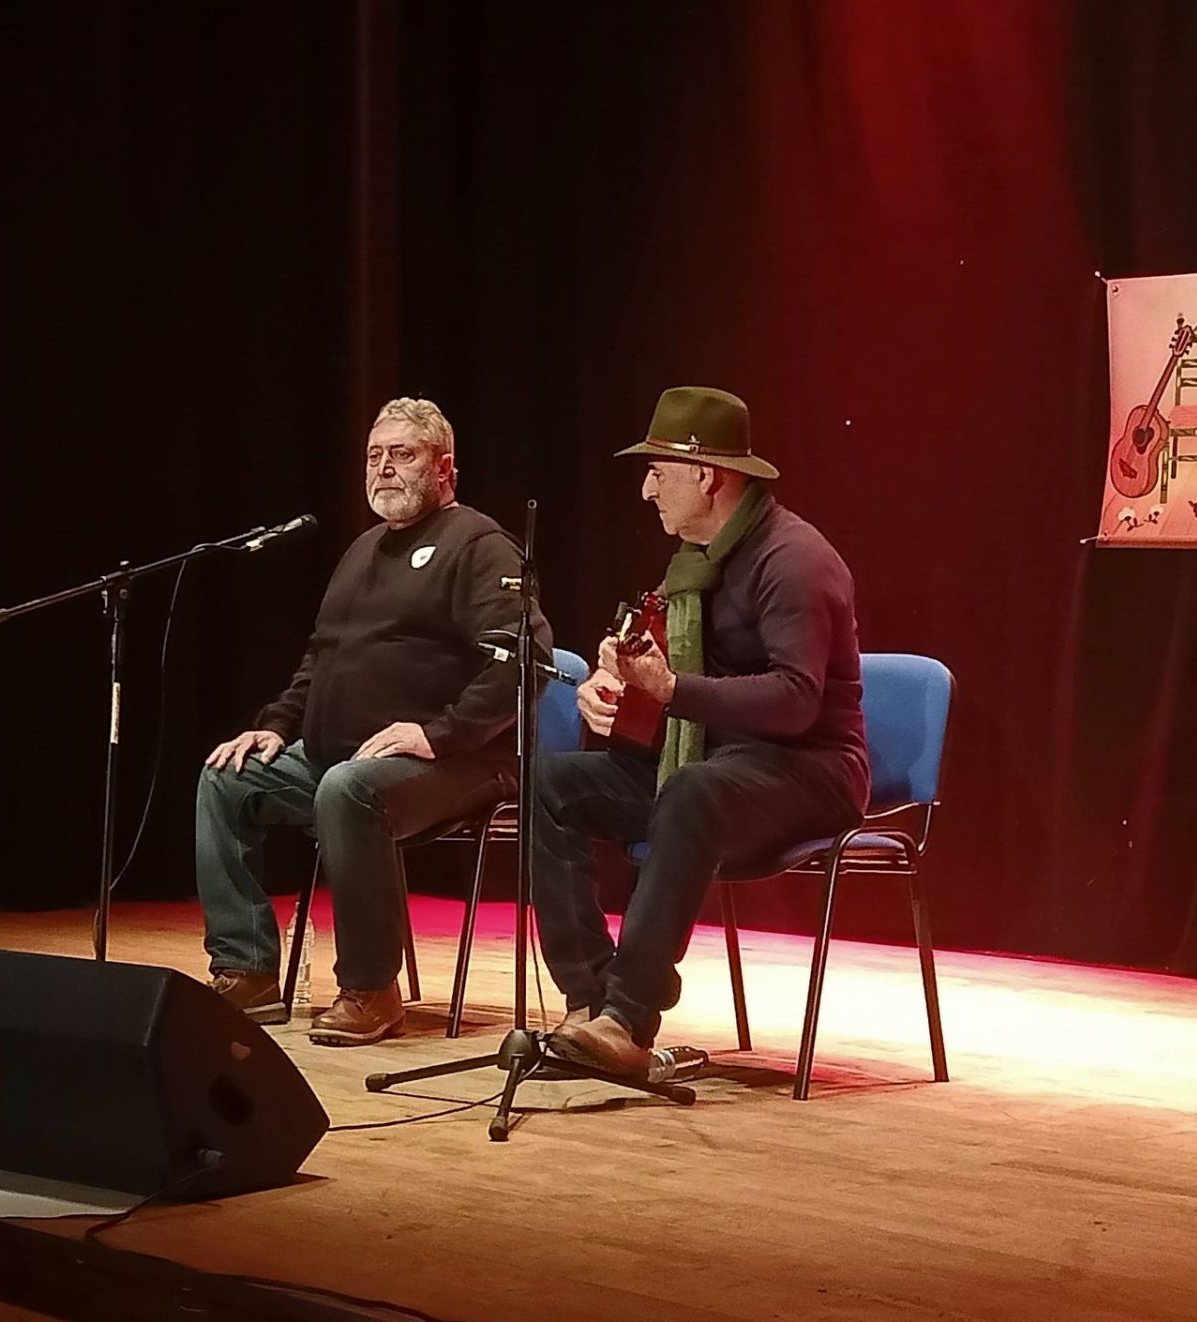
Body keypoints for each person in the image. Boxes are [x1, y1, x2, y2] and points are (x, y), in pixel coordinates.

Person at [532, 386, 869, 1077]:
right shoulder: (693, 562)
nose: (647, 489)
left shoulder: (794, 561)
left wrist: (673, 690)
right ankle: (591, 998)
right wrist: (614, 683)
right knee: (550, 780)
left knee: (690, 791)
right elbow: (661, 666)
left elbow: (797, 701)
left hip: (808, 770)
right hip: (715, 764)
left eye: (658, 470)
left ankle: (628, 1016)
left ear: (706, 476)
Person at [197, 397, 551, 1045]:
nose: (384, 468)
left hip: (461, 761)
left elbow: (524, 663)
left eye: (403, 455)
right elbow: (320, 658)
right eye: (374, 456)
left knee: (347, 788)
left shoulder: (480, 544)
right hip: (345, 756)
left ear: (445, 469)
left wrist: (437, 732)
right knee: (228, 776)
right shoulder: (361, 550)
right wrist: (277, 725)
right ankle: (245, 970)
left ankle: (369, 987)